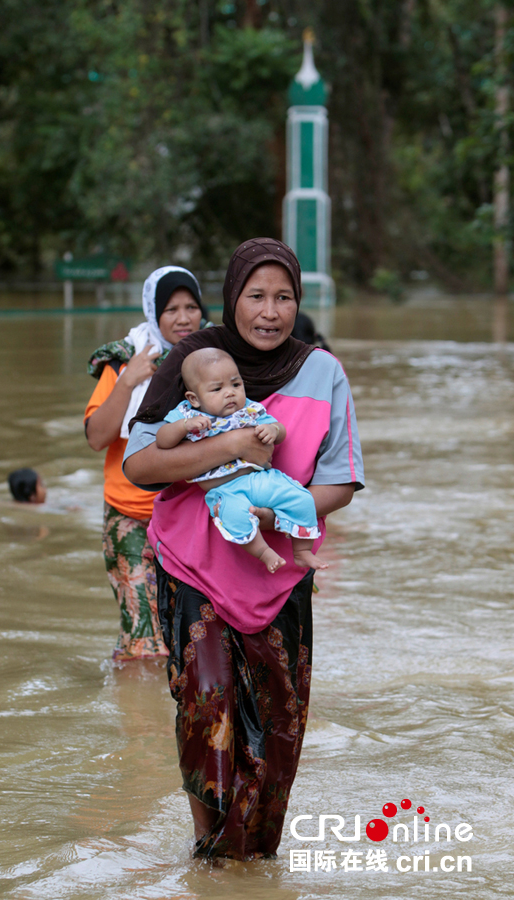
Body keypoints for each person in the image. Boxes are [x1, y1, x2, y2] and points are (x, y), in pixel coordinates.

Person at [123, 238, 365, 860]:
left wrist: (275, 511)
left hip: (278, 575)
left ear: (298, 302)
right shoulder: (192, 359)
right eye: (256, 296)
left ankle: (253, 861)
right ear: (232, 300)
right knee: (206, 715)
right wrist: (230, 448)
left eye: (284, 297)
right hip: (192, 569)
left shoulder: (322, 372)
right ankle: (209, 853)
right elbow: (142, 464)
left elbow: (339, 481)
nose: (270, 310)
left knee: (279, 729)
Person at [84, 266, 208, 662]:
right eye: (171, 309)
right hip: (130, 518)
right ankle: (136, 719)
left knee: (190, 641)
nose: (184, 317)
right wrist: (127, 380)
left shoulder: (213, 361)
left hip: (192, 519)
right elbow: (95, 437)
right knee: (144, 645)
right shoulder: (124, 362)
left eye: (192, 307)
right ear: (154, 313)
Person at [156, 348, 327, 574]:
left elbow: (281, 430)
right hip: (225, 490)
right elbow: (162, 440)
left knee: (302, 499)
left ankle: (302, 550)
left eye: (236, 385)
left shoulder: (249, 410)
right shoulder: (186, 415)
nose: (230, 393)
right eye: (217, 388)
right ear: (194, 398)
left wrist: (273, 430)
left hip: (261, 479)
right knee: (234, 516)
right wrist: (183, 427)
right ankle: (264, 552)